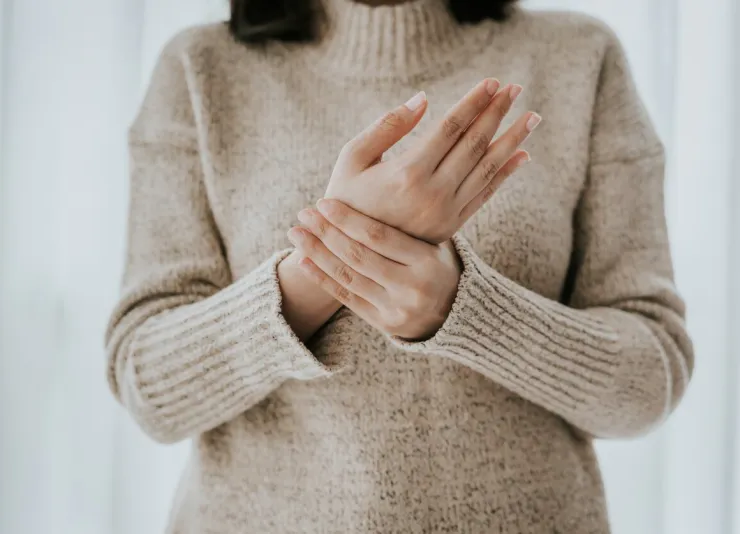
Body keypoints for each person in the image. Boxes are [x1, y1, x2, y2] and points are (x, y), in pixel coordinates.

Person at [104, 0, 695, 531]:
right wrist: (331, 265)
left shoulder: (580, 56)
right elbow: (150, 390)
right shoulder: (200, 68)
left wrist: (458, 307)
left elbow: (649, 383)